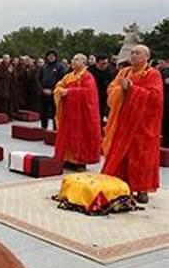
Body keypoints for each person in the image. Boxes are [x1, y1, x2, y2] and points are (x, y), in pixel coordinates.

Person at [102, 45, 164, 203]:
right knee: (121, 156)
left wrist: (132, 89)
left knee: (141, 157)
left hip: (142, 125)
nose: (134, 55)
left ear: (147, 57)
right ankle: (120, 186)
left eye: (138, 53)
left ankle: (142, 188)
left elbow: (155, 99)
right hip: (122, 122)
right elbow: (111, 90)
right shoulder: (124, 72)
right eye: (132, 52)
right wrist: (121, 91)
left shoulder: (153, 74)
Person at [53, 54, 102, 170]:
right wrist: (60, 91)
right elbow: (59, 86)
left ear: (84, 62)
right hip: (69, 113)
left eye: (76, 59)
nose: (73, 61)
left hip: (81, 115)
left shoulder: (87, 76)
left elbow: (89, 93)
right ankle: (67, 159)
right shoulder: (69, 76)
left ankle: (80, 161)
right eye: (73, 59)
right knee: (67, 135)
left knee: (80, 137)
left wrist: (70, 92)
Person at [38, 50, 66, 130]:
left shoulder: (60, 67)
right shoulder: (43, 67)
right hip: (43, 92)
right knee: (43, 112)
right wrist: (42, 89)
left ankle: (55, 130)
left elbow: (62, 80)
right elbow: (38, 80)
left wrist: (53, 90)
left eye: (52, 56)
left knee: (55, 112)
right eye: (49, 55)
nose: (51, 57)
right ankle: (43, 128)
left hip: (54, 92)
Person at [88, 54, 116, 122]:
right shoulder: (90, 71)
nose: (104, 66)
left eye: (106, 63)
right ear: (97, 63)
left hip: (107, 96)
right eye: (102, 64)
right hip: (94, 96)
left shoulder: (111, 70)